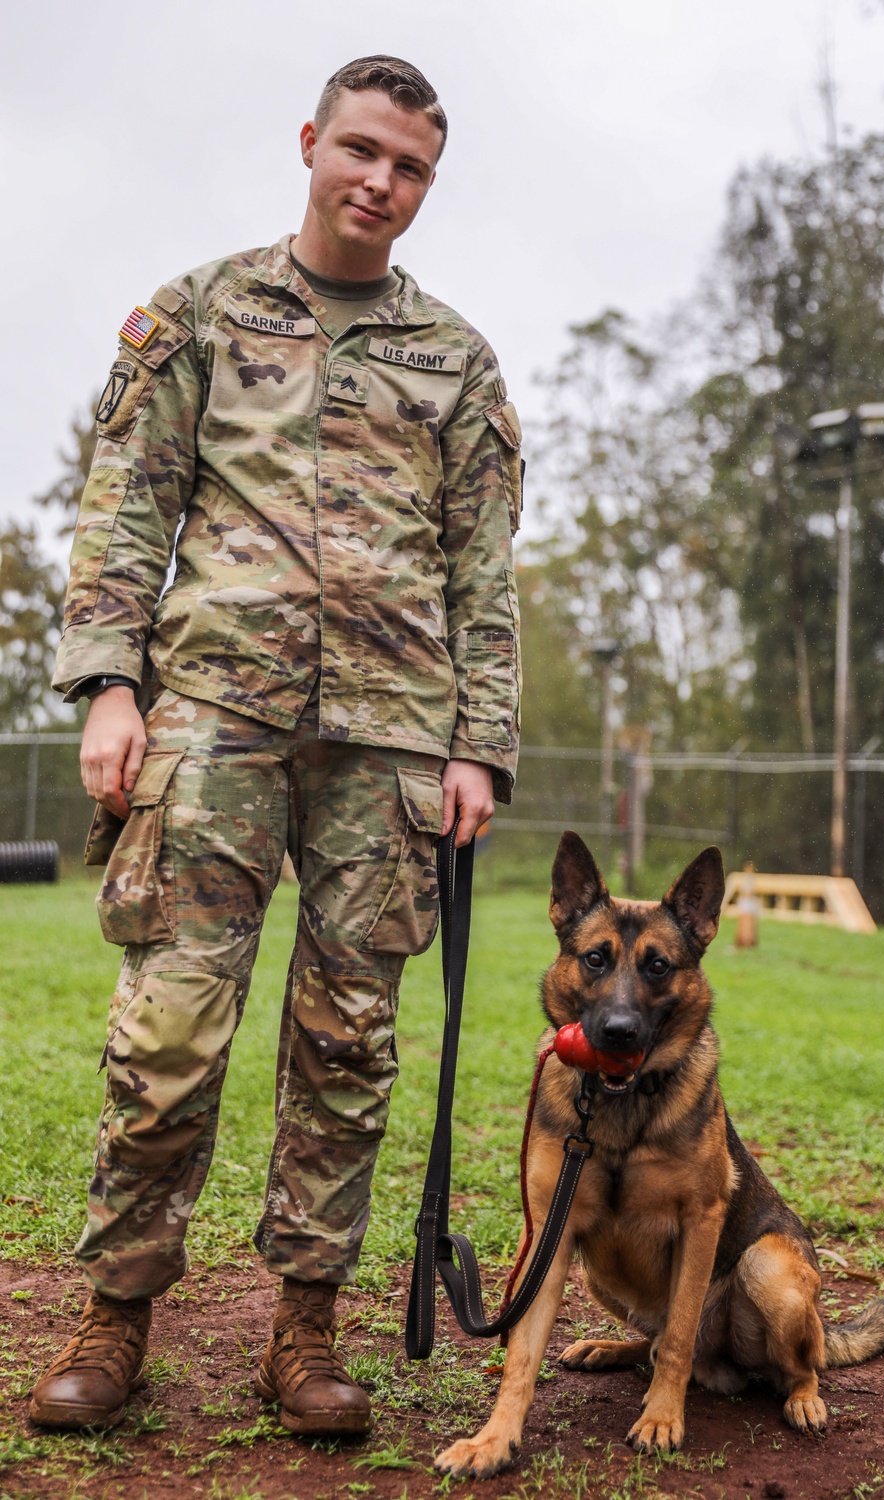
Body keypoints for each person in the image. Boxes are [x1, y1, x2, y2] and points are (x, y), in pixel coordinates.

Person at [31, 55, 521, 1439]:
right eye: (360, 150)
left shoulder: (456, 360)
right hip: (215, 720)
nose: (380, 182)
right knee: (169, 1034)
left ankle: (304, 1336)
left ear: (428, 182)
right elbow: (128, 505)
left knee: (348, 1043)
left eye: (410, 166)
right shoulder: (201, 312)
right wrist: (111, 687)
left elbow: (483, 575)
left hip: (391, 744)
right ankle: (112, 1323)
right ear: (310, 142)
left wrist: (479, 747)